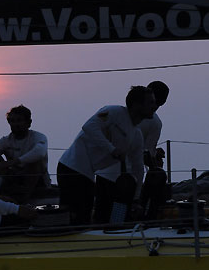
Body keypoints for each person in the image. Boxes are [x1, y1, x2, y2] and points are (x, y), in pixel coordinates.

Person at [57, 86, 157, 225]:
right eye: (150, 102)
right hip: (71, 167)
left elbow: (138, 167)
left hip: (88, 175)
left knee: (84, 219)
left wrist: (136, 199)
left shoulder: (137, 136)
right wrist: (112, 149)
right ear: (136, 105)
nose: (155, 106)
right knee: (74, 218)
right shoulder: (114, 112)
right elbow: (89, 127)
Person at [0, 105, 50, 203]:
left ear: (29, 123)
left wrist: (14, 162)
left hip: (38, 181)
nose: (15, 124)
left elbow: (40, 153)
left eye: (19, 120)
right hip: (14, 177)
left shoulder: (38, 137)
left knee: (35, 164)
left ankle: (23, 200)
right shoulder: (6, 140)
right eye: (12, 121)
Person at [138, 81, 170, 219]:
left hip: (107, 173)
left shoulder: (128, 113)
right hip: (128, 177)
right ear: (163, 102)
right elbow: (146, 154)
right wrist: (156, 169)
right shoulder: (154, 122)